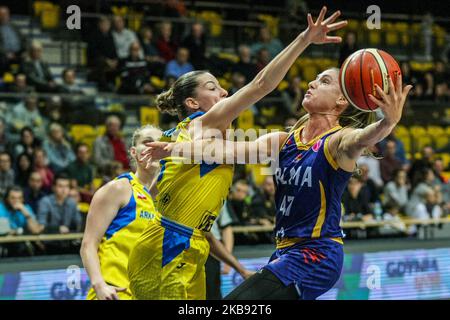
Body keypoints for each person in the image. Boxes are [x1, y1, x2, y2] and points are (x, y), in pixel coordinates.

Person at [143, 7, 412, 300]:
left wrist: (388, 122)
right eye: (315, 79)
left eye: (324, 81)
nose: (311, 83)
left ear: (341, 101)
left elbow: (362, 138)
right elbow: (222, 152)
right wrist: (173, 149)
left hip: (317, 253)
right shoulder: (283, 140)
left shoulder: (338, 141)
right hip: (284, 251)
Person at [80, 125, 162, 300]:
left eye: (159, 143)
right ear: (133, 151)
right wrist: (99, 285)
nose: (154, 147)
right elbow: (88, 245)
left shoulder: (167, 200)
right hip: (114, 293)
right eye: (147, 142)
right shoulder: (119, 188)